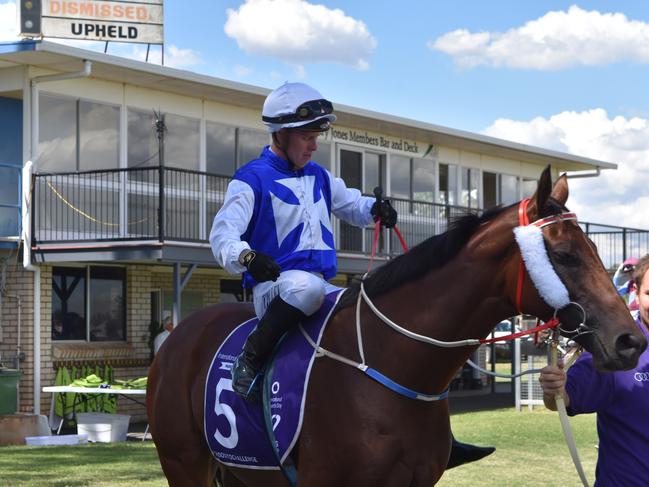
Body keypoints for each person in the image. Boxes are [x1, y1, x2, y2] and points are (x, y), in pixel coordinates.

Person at [210, 82, 397, 401]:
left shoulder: (320, 176)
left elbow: (351, 204)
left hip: (320, 287)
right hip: (275, 290)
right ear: (280, 134)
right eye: (306, 138)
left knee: (368, 309)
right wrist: (248, 257)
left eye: (315, 138)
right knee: (305, 288)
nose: (313, 146)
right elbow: (222, 235)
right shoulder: (251, 178)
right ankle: (250, 358)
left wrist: (374, 209)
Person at [539, 253, 649, 486]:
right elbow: (564, 398)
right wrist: (554, 388)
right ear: (636, 294)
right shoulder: (618, 345)